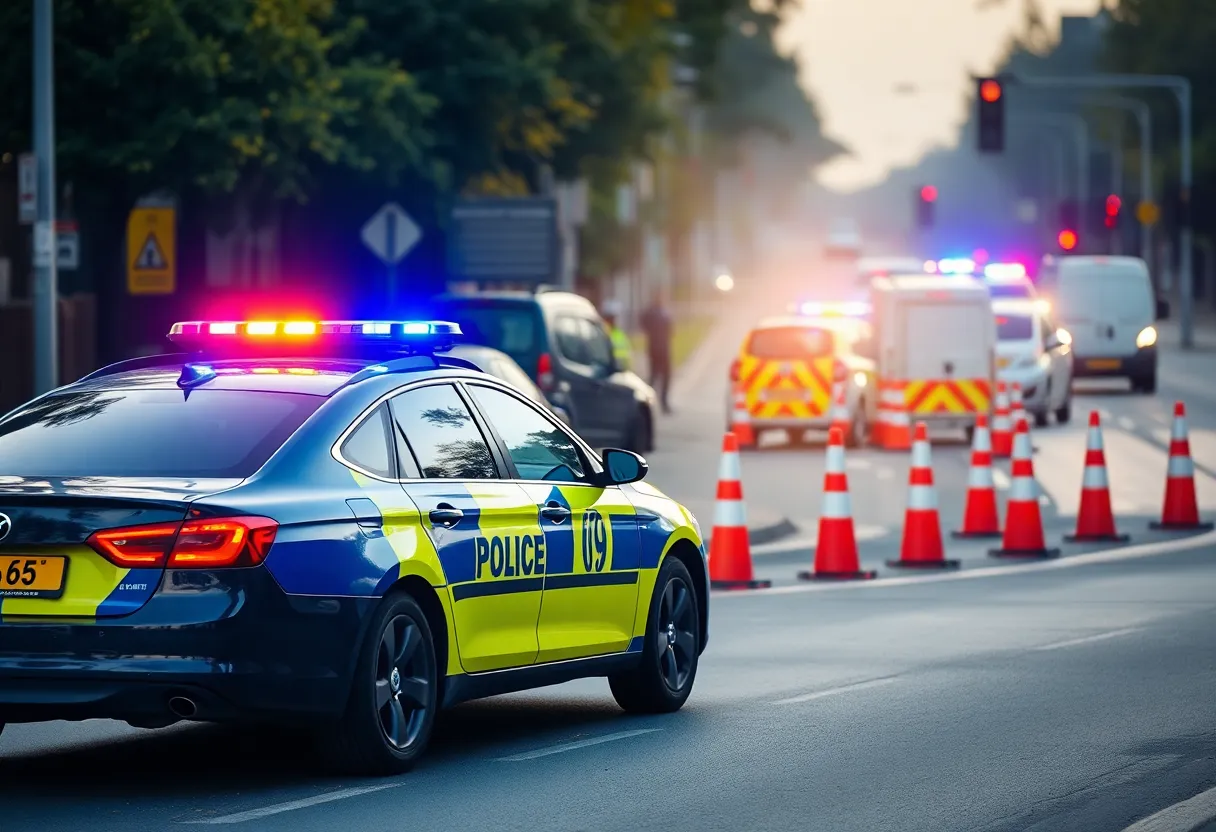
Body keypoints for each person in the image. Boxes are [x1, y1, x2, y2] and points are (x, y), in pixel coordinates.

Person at [640, 292, 673, 414]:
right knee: (656, 377)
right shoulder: (656, 313)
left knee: (661, 377)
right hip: (658, 349)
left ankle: (662, 403)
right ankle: (649, 402)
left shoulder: (662, 313)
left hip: (661, 348)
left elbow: (670, 329)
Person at [601, 301, 633, 371]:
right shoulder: (601, 332)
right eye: (610, 318)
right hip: (606, 371)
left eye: (614, 318)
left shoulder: (620, 334)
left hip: (621, 370)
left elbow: (627, 354)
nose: (613, 320)